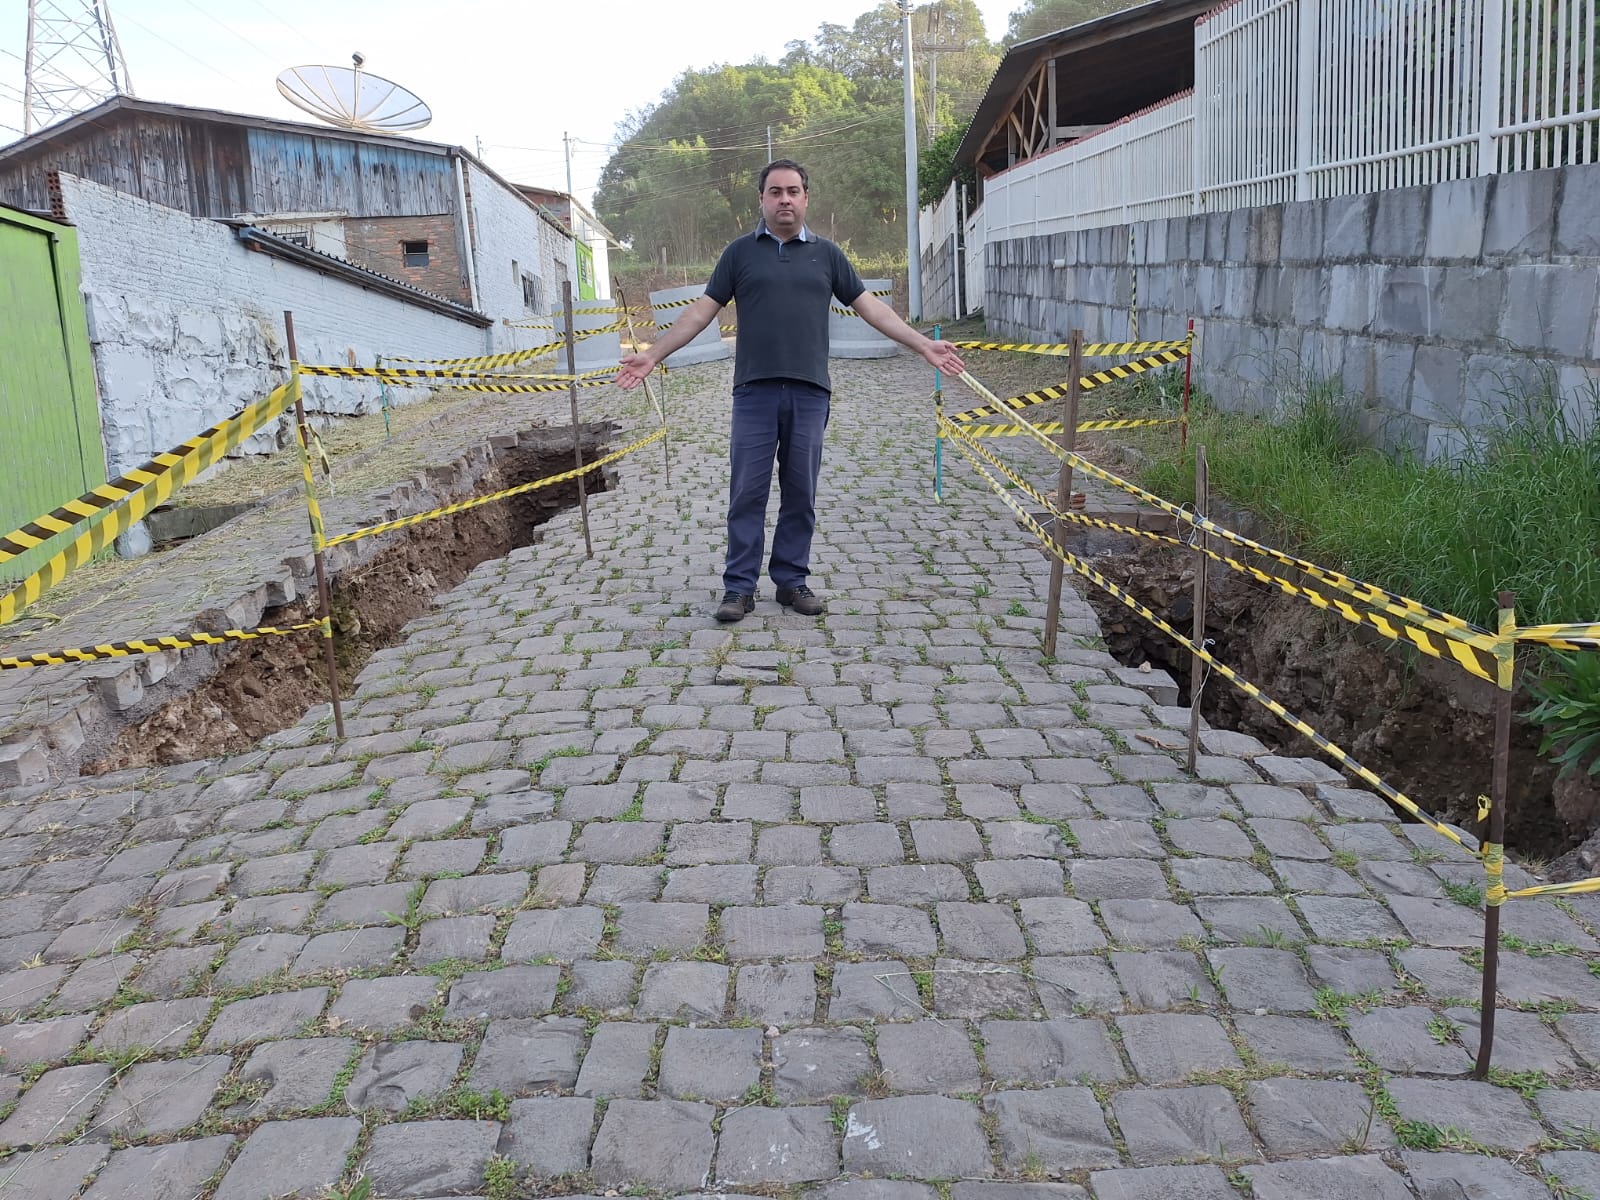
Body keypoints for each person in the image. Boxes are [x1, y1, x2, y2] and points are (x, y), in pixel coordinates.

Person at [615, 159, 966, 623]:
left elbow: (871, 309)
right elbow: (701, 312)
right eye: (775, 191)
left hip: (809, 392)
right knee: (747, 492)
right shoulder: (739, 254)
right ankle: (739, 588)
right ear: (761, 199)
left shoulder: (828, 256)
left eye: (793, 191)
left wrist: (923, 345)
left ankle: (791, 581)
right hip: (754, 394)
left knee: (801, 492)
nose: (785, 199)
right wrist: (653, 354)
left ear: (805, 198)